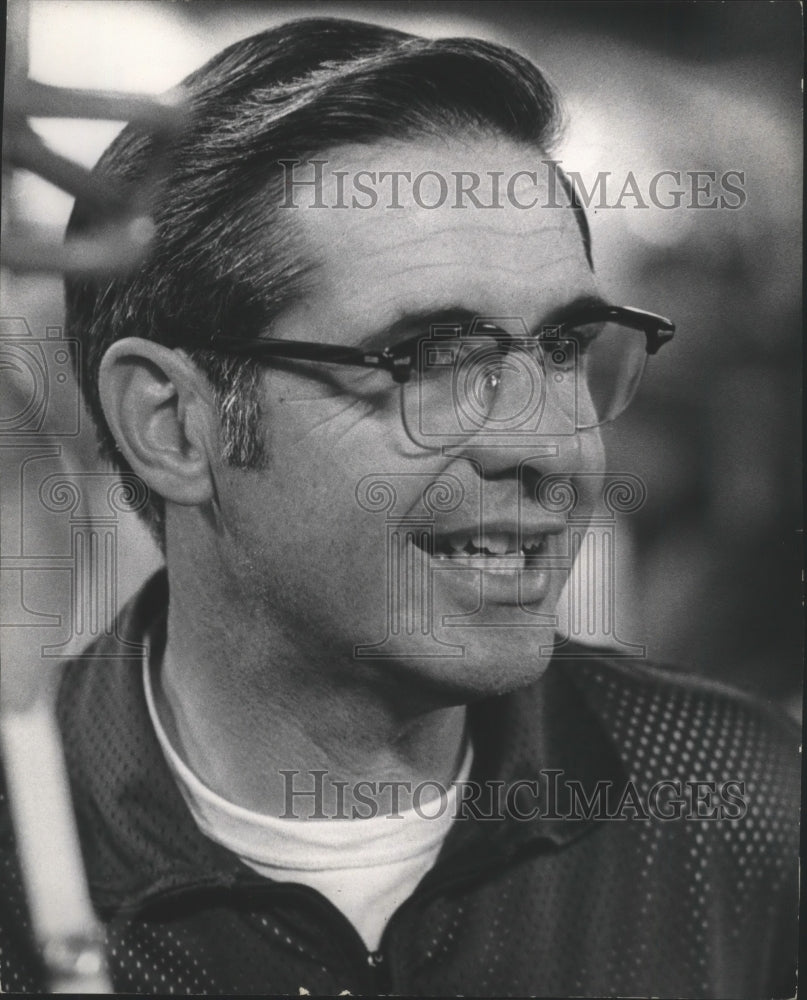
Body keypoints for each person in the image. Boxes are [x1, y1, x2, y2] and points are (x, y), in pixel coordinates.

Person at [0, 17, 798, 997]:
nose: (552, 447)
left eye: (562, 349)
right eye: (432, 360)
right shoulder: (28, 850)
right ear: (172, 423)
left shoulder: (746, 808)